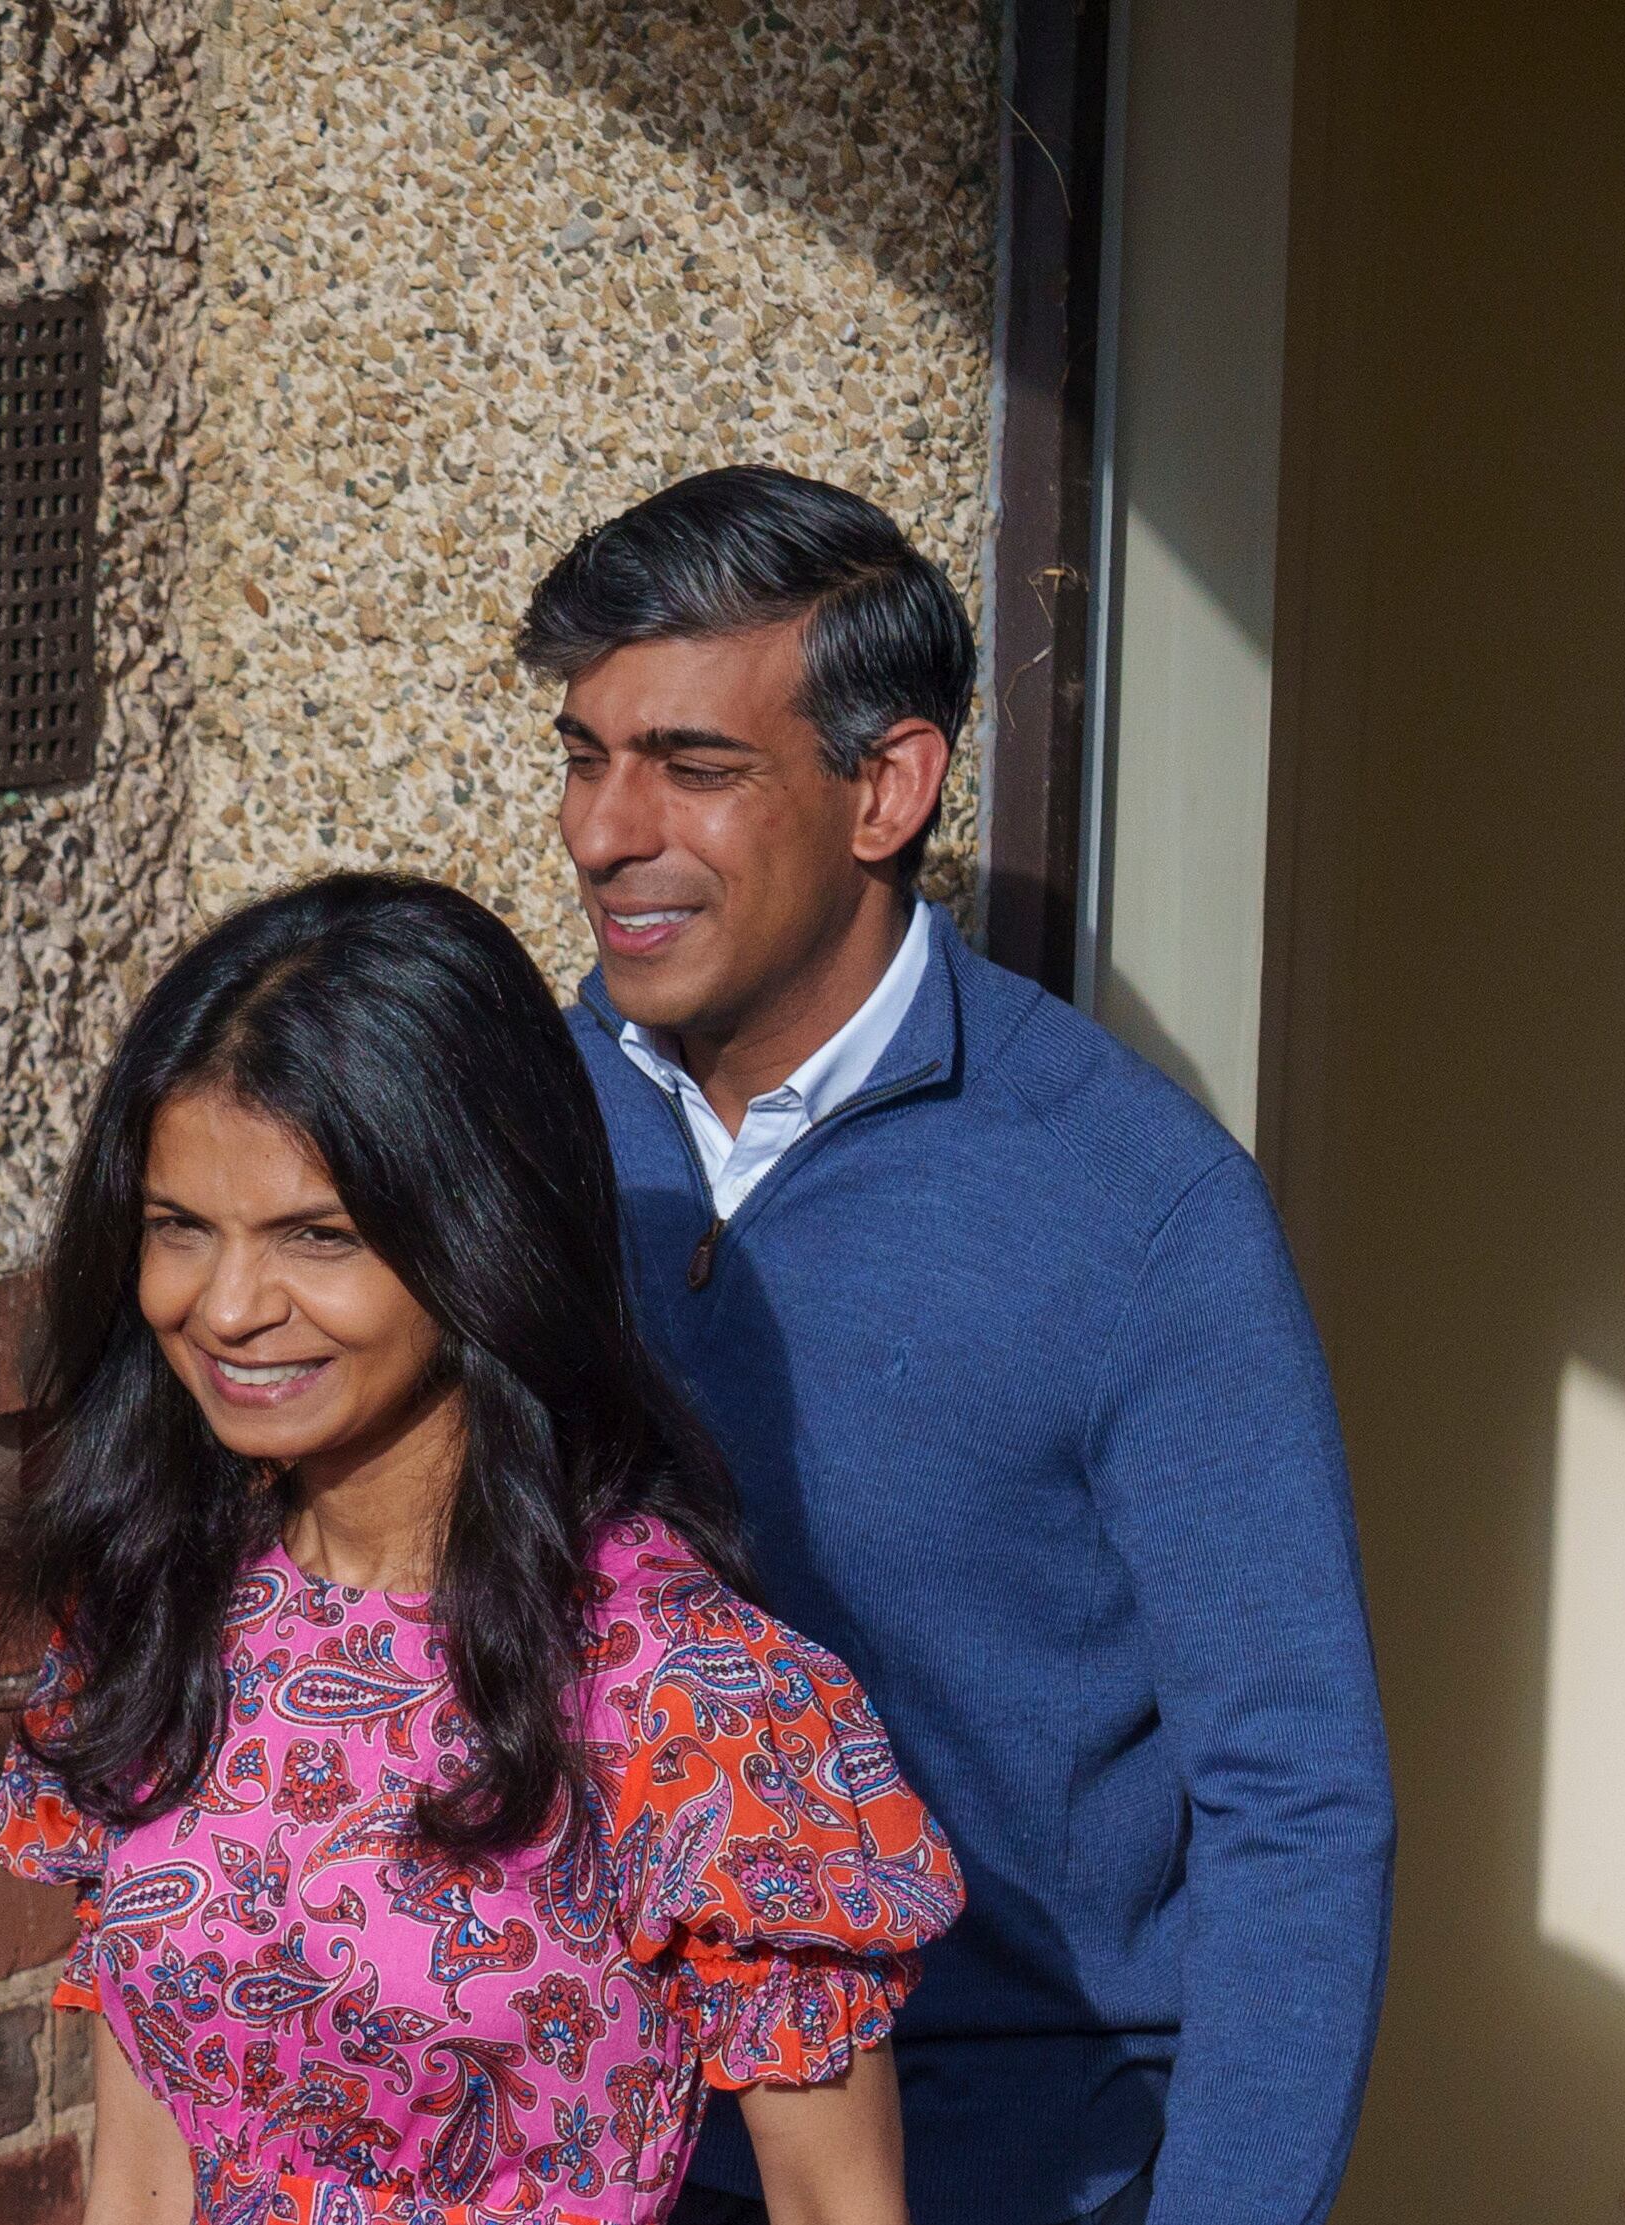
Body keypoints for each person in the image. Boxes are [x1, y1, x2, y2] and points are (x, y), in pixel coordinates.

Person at [518, 467, 1395, 2225]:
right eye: (581, 752)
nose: (606, 830)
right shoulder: (504, 1125)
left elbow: (1292, 1798)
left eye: (690, 766)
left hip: (994, 2154)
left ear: (886, 786)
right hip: (565, 2144)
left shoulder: (1138, 1210)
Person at [0, 874, 965, 2225]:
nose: (221, 1306)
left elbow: (835, 2212)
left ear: (479, 1234)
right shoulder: (159, 1610)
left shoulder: (695, 1701)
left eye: (314, 1236)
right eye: (177, 1227)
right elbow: (140, 2178)